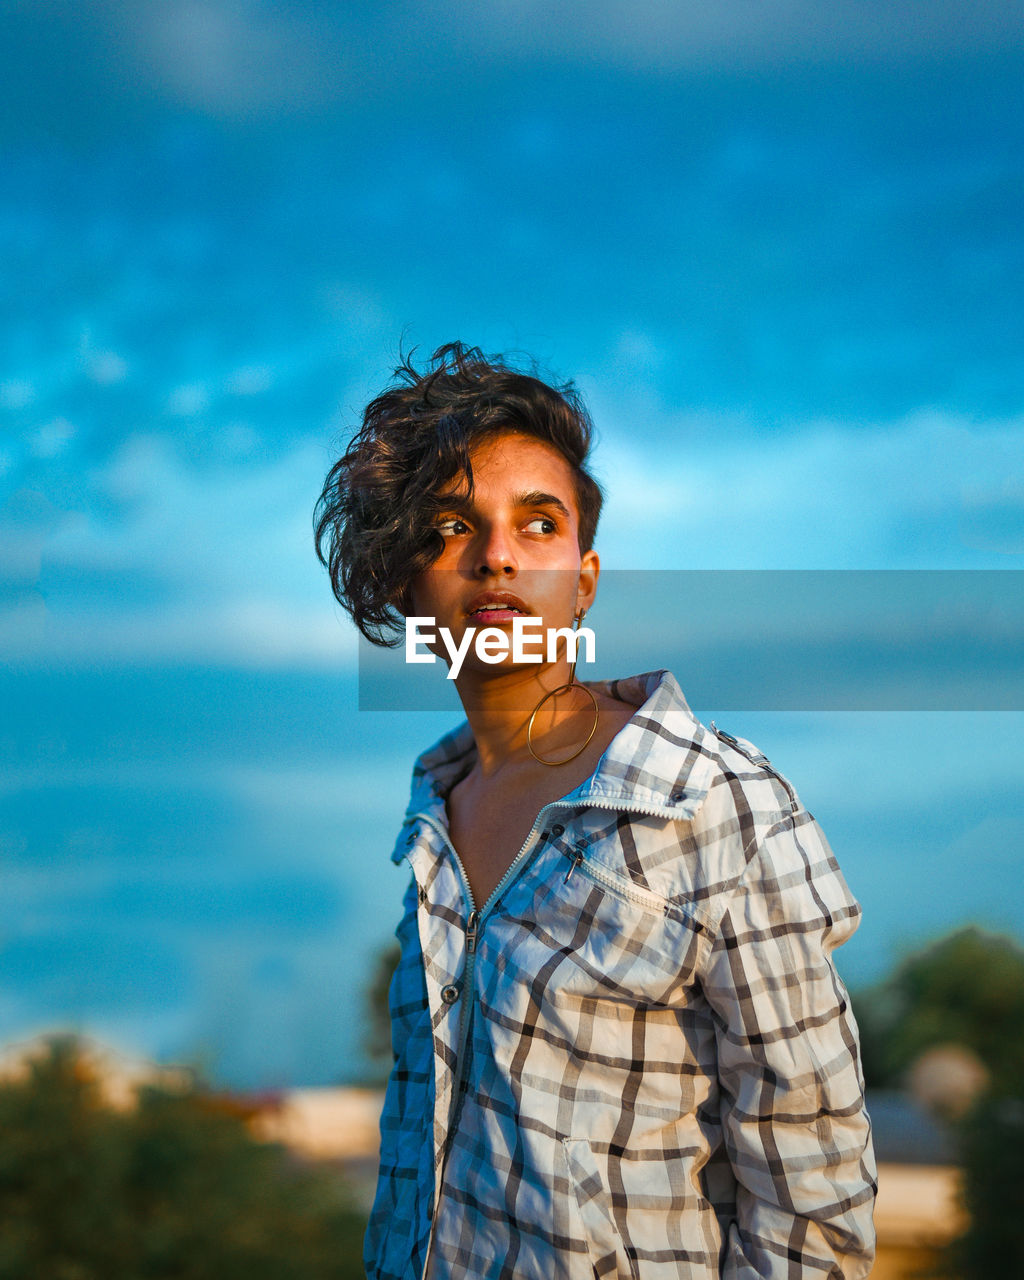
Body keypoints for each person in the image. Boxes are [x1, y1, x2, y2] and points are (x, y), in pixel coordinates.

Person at [314, 343, 877, 1280]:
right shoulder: (433, 813)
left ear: (582, 581)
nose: (498, 555)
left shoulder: (715, 800)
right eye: (453, 526)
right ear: (407, 585)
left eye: (540, 525)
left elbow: (809, 1180)